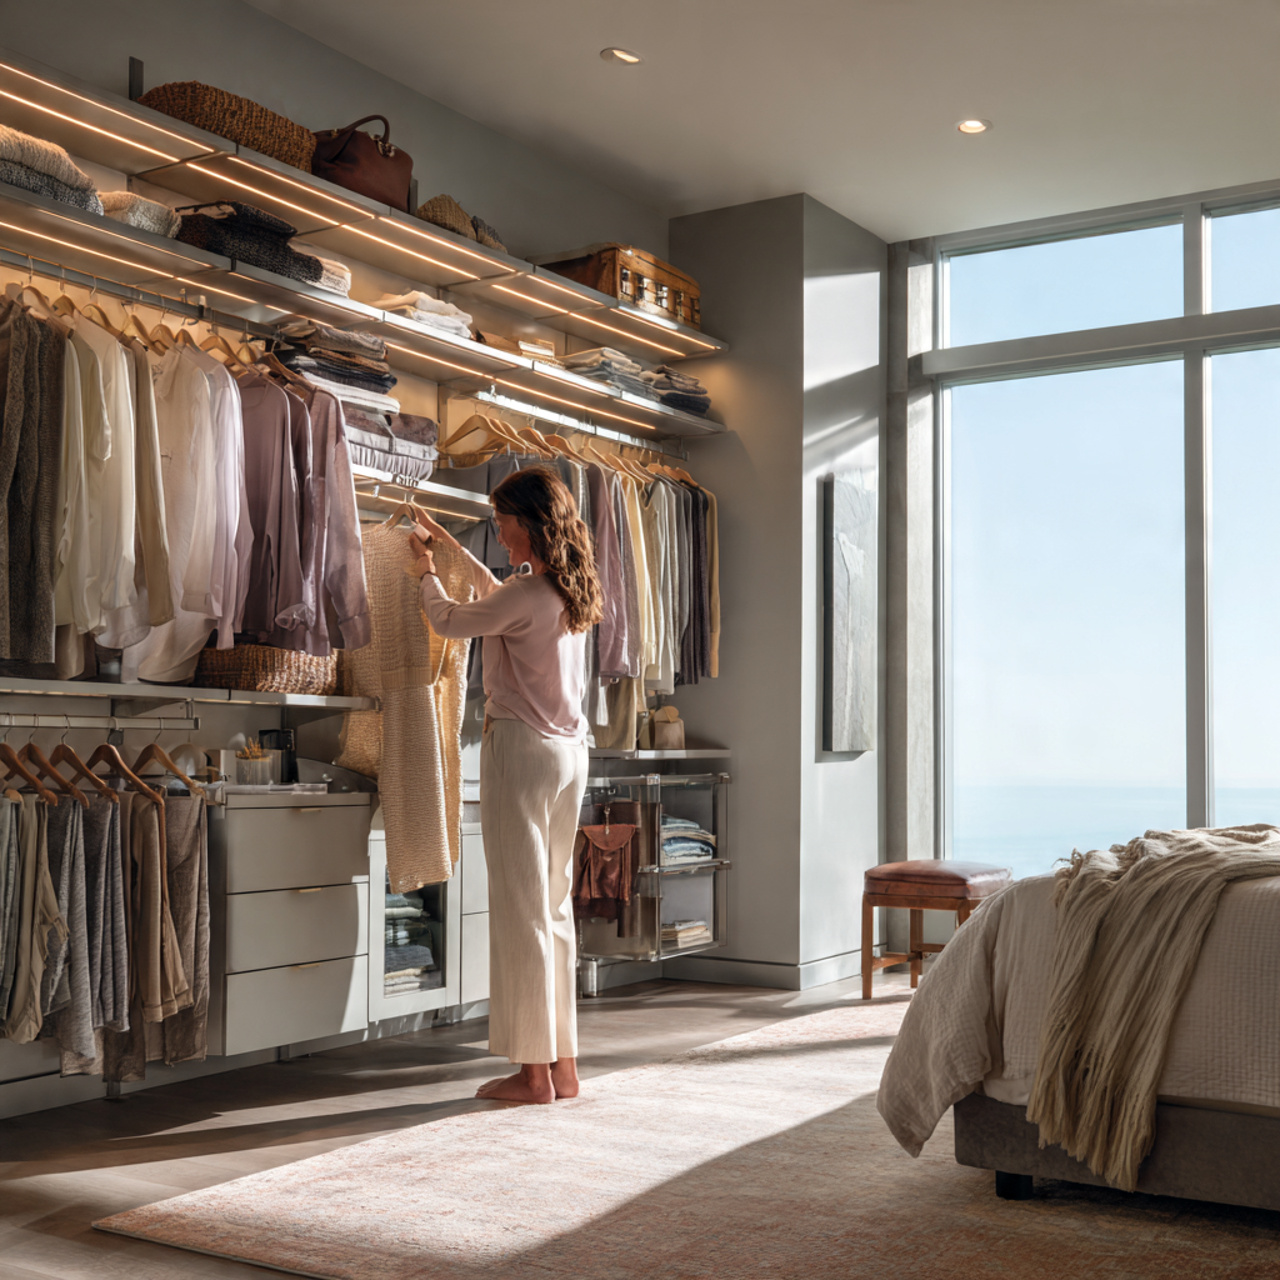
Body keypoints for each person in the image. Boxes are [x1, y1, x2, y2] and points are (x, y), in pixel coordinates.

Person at [409, 466, 603, 1104]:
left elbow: (449, 620)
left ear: (529, 523)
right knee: (553, 910)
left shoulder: (524, 595)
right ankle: (564, 1066)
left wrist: (425, 574)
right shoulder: (567, 592)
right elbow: (499, 596)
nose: (497, 530)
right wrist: (450, 547)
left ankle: (531, 1074)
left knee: (520, 913)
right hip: (569, 756)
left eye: (503, 520)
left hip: (520, 752)